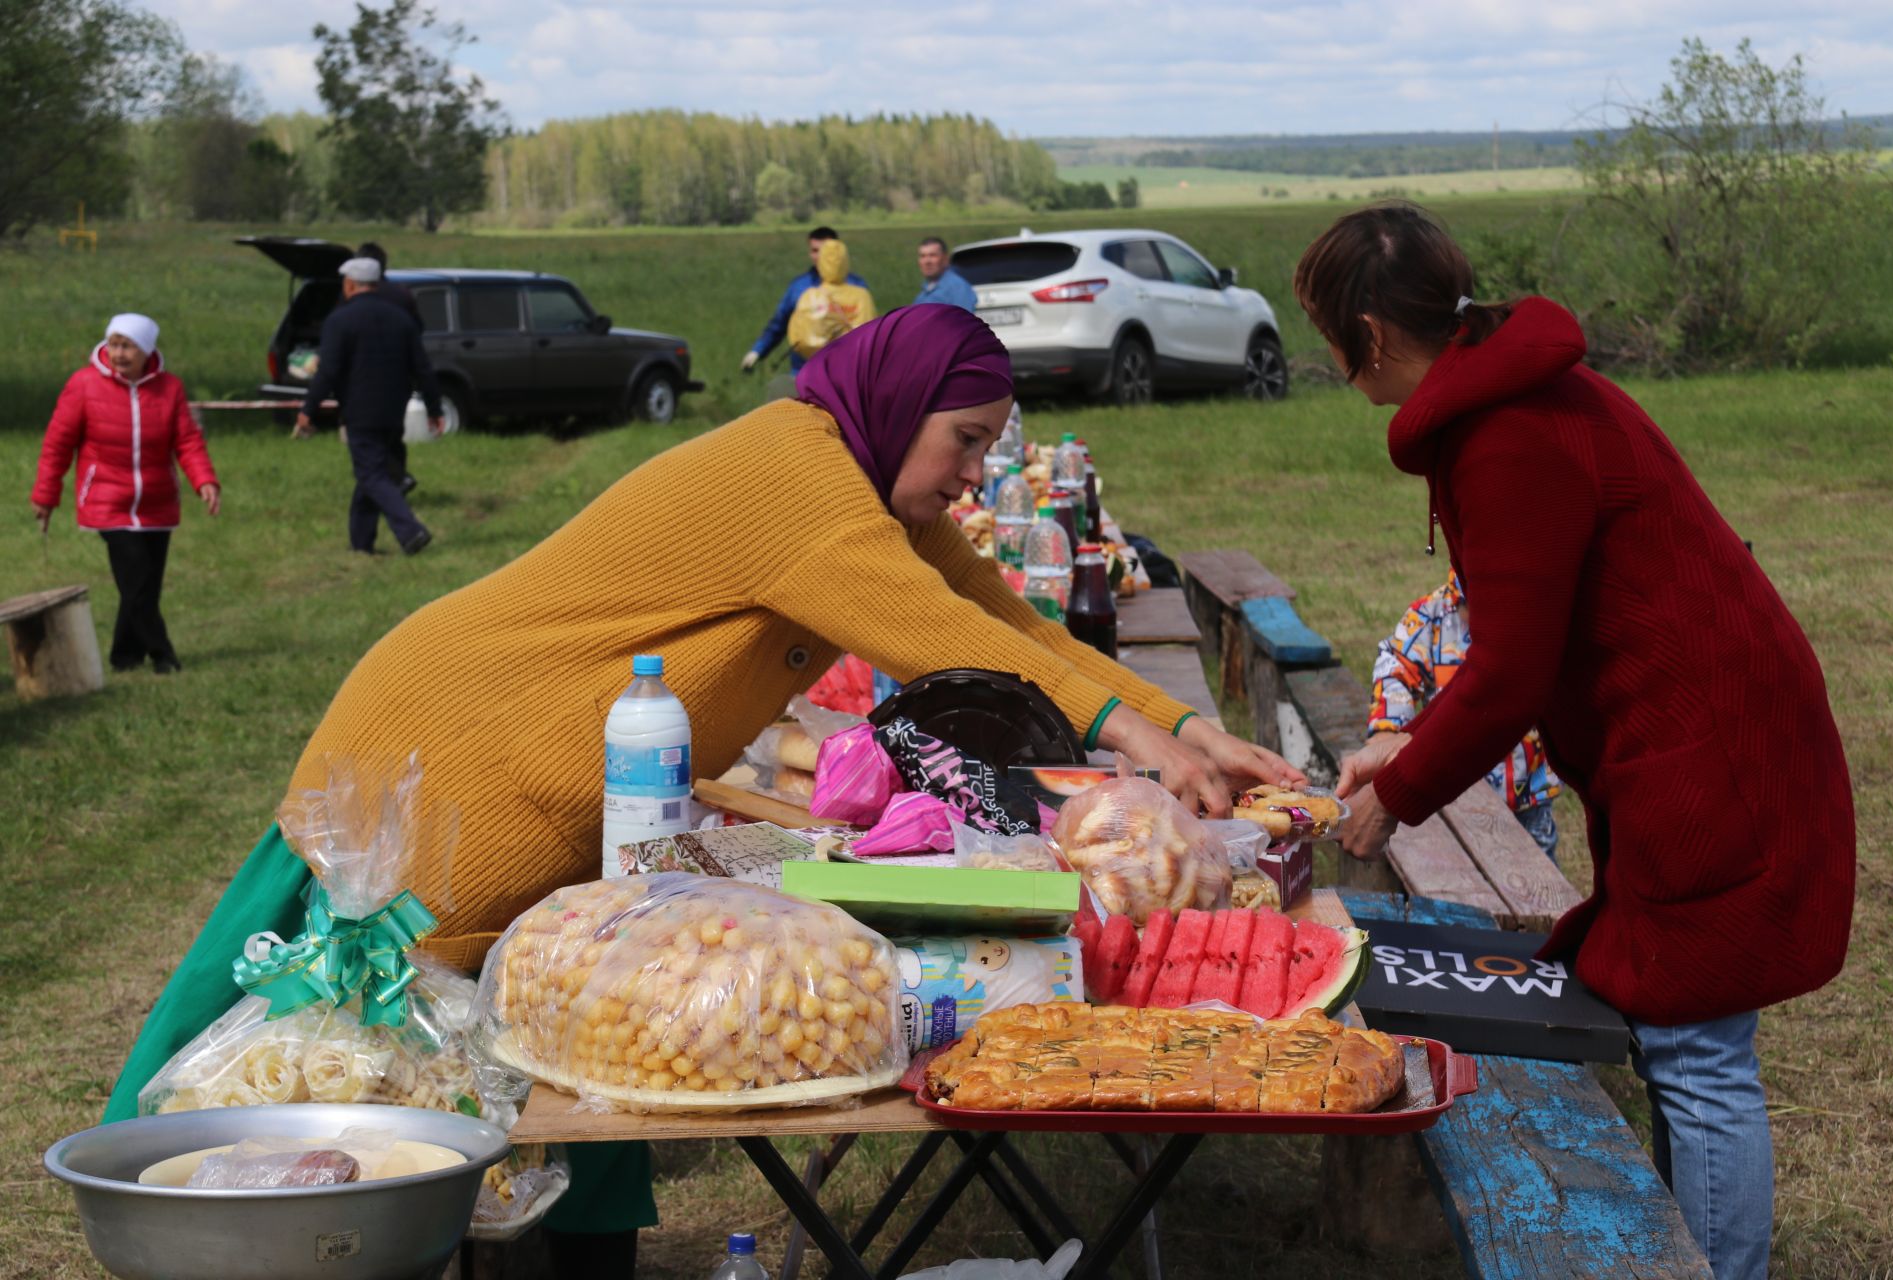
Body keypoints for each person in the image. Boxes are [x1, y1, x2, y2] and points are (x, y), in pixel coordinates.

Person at [104, 306, 1301, 1276]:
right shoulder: (796, 476)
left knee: (561, 1033)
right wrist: (1137, 732)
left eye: (993, 443)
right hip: (451, 751)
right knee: (361, 1067)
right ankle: (198, 1216)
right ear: (899, 410)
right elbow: (948, 642)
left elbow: (1001, 615)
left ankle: (569, 1256)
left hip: (563, 792)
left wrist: (1192, 727)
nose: (977, 471)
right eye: (969, 440)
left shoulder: (867, 482)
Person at [1298, 202, 1852, 1280]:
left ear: (1364, 337)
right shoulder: (1508, 398)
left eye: (1325, 332)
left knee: (1696, 1044)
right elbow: (1523, 642)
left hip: (1712, 747)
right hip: (1683, 737)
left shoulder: (1505, 433)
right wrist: (1399, 742)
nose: (1326, 357)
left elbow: (1512, 671)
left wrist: (1400, 788)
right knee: (1676, 1025)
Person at [31, 314, 220, 674]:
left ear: (146, 350)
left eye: (127, 346)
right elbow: (57, 444)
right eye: (114, 344)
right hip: (107, 501)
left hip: (156, 502)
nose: (118, 353)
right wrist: (46, 495)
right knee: (137, 583)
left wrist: (204, 481)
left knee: (144, 584)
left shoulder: (170, 388)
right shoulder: (83, 385)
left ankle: (125, 656)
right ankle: (163, 655)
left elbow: (187, 441)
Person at [1368, 567, 1561, 858]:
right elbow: (1396, 666)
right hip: (1449, 801)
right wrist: (1388, 726)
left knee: (1538, 884)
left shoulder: (1534, 615)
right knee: (1452, 873)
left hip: (1525, 799)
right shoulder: (1432, 615)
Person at [295, 258, 442, 555]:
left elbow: (328, 372)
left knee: (372, 475)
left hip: (360, 412)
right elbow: (423, 368)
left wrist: (308, 410)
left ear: (349, 284)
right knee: (371, 472)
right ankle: (361, 544)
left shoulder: (340, 320)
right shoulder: (402, 319)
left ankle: (411, 531)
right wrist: (434, 409)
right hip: (393, 410)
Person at [740, 225, 869, 374]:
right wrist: (757, 351)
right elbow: (778, 324)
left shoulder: (858, 289)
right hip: (804, 372)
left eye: (825, 250)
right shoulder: (800, 287)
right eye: (814, 250)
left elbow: (869, 329)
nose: (819, 256)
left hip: (846, 372)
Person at [354, 241, 421, 496]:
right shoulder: (402, 295)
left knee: (367, 438)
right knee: (394, 434)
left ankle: (395, 480)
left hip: (365, 378)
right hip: (399, 377)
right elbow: (418, 331)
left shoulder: (357, 297)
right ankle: (396, 481)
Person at [784, 237, 876, 362]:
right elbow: (871, 336)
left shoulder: (811, 296)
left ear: (821, 262)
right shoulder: (862, 296)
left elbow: (799, 337)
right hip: (852, 367)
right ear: (845, 262)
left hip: (820, 366)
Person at [911, 236, 977, 311]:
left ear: (945, 259)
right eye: (923, 256)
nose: (927, 261)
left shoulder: (958, 287)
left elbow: (963, 320)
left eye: (932, 255)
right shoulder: (925, 291)